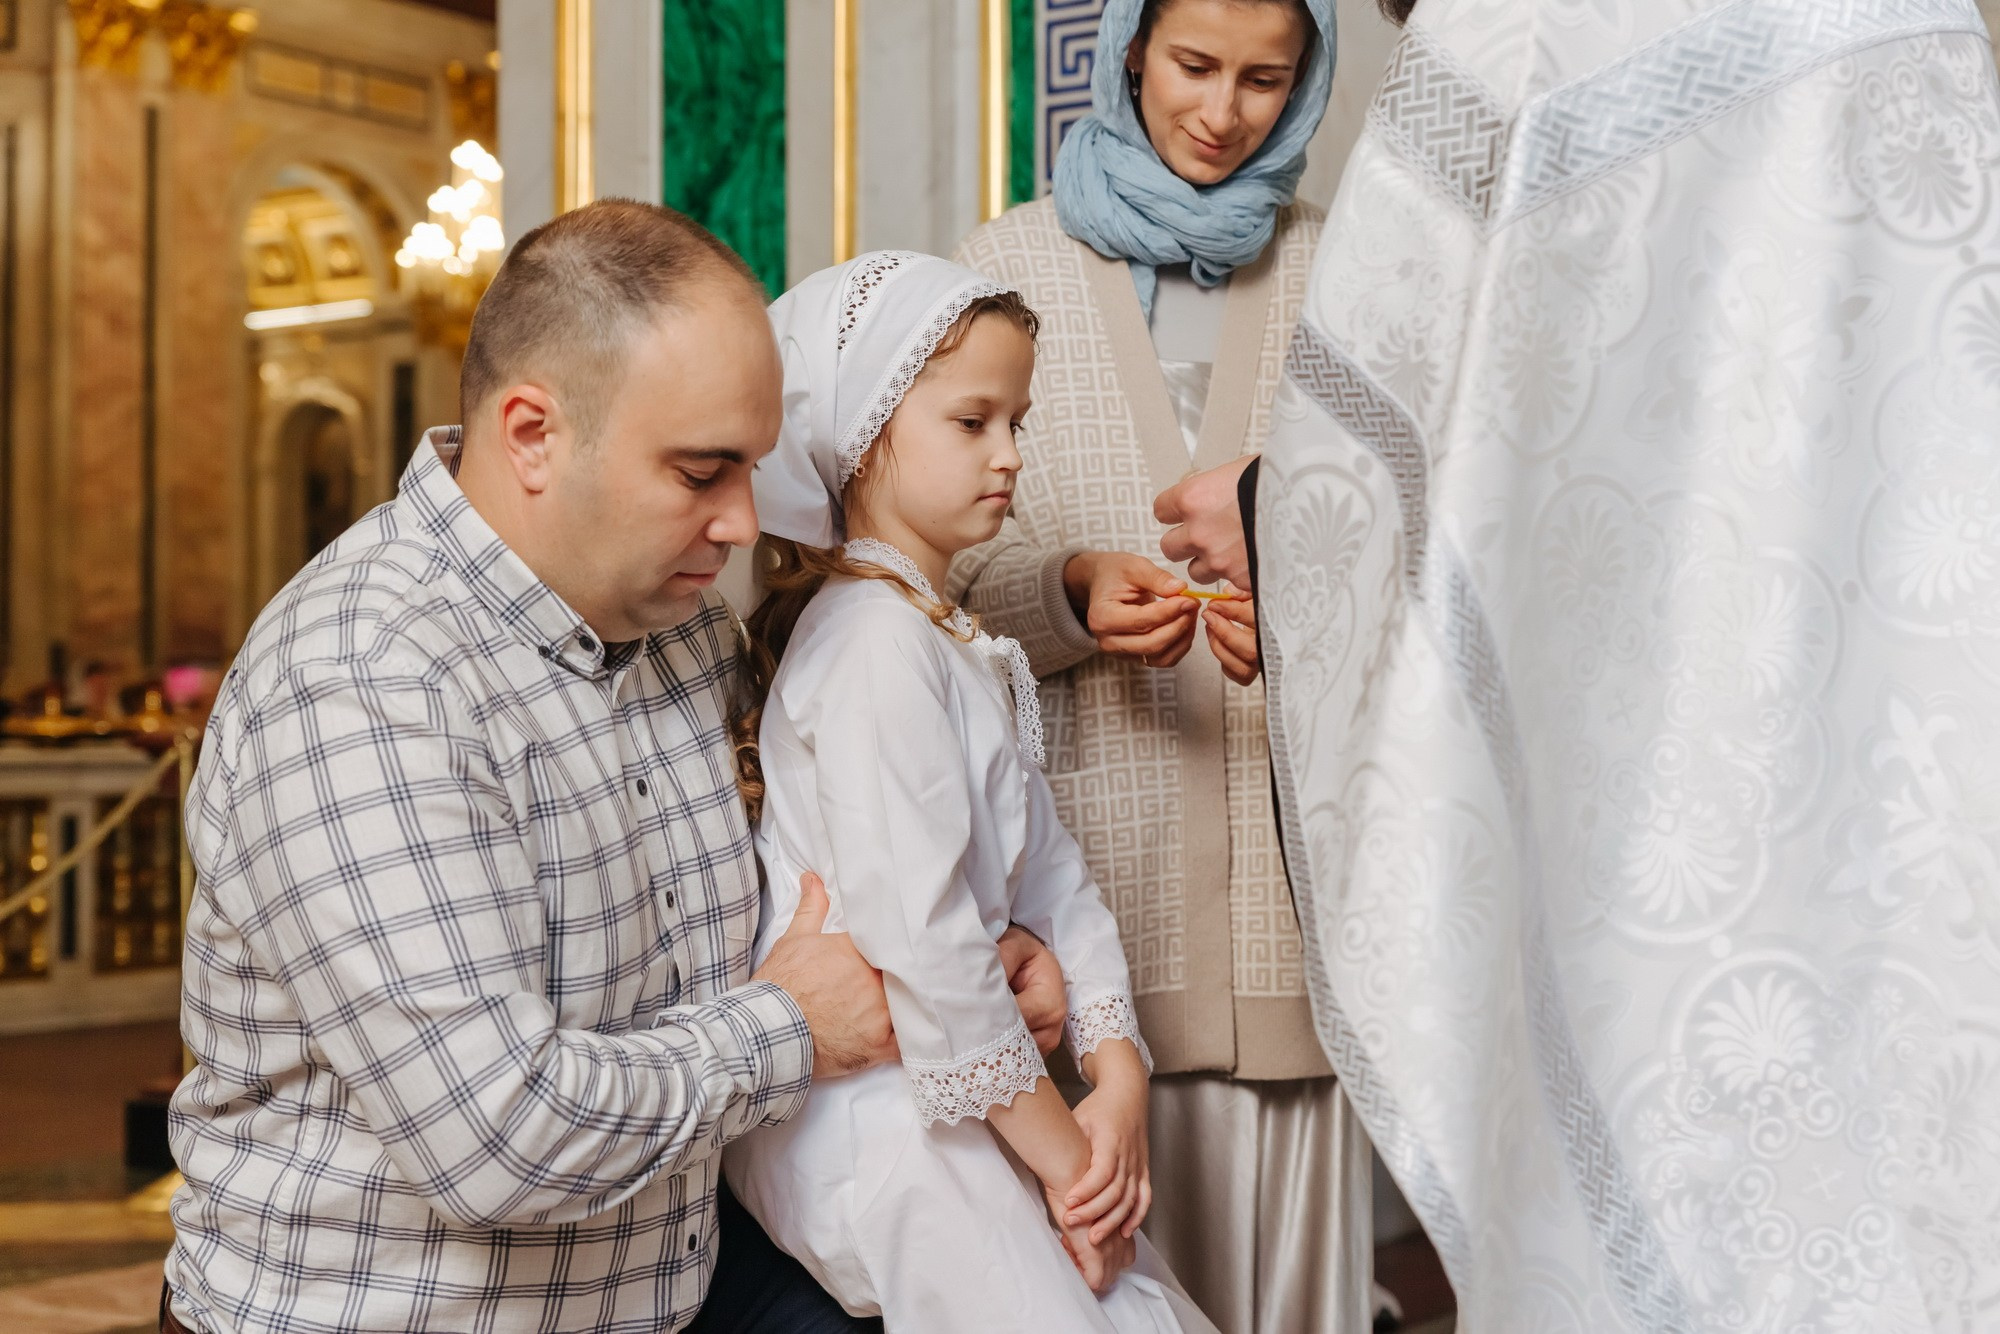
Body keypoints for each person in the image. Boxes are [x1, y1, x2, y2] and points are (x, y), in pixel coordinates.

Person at [160, 201, 1065, 1334]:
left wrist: (979, 948)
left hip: (671, 1279)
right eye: (701, 471)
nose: (743, 522)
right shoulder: (365, 679)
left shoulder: (680, 626)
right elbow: (502, 1135)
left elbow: (836, 863)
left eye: (753, 466)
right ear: (532, 432)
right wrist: (793, 1024)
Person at [1253, 0, 2000, 1330]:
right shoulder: (1918, 18)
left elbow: (1359, 457)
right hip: (1912, 721)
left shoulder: (1514, 30)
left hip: (1618, 766)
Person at [948, 1, 1369, 1328]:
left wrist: (1307, 613)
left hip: (1297, 932)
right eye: (1194, 66)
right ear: (1129, 47)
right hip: (1087, 944)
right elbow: (929, 573)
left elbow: (1424, 555)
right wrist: (1068, 590)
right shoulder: (1002, 266)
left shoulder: (1352, 267)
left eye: (1265, 78)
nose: (1222, 110)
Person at [722, 251, 1216, 1333]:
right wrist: (1070, 1164)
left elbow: (1053, 870)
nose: (1009, 456)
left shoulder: (944, 640)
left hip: (969, 1081)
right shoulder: (868, 647)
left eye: (1017, 422)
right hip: (879, 1121)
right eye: (971, 421)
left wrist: (1115, 1061)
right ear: (863, 434)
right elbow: (931, 949)